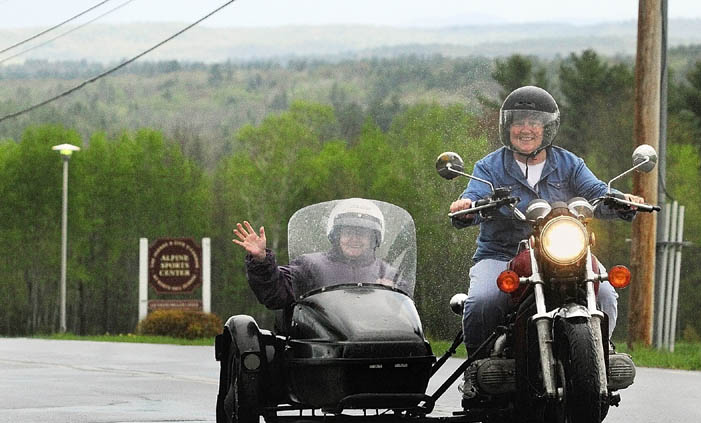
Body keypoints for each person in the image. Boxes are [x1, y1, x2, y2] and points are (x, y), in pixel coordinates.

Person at [449, 86, 643, 358]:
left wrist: (623, 200)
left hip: (564, 254)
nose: (526, 129)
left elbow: (597, 192)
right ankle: (478, 365)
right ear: (507, 127)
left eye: (534, 122)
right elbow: (473, 195)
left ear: (547, 128)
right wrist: (466, 207)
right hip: (502, 254)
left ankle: (600, 357)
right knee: (484, 300)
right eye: (519, 122)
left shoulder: (569, 163)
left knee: (606, 294)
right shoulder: (489, 167)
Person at [233, 198, 406, 312]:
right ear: (336, 235)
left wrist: (392, 296)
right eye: (348, 232)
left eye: (361, 233)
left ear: (374, 238)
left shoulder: (388, 274)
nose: (354, 239)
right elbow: (275, 295)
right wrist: (261, 260)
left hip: (376, 346)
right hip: (322, 349)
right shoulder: (311, 265)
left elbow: (405, 317)